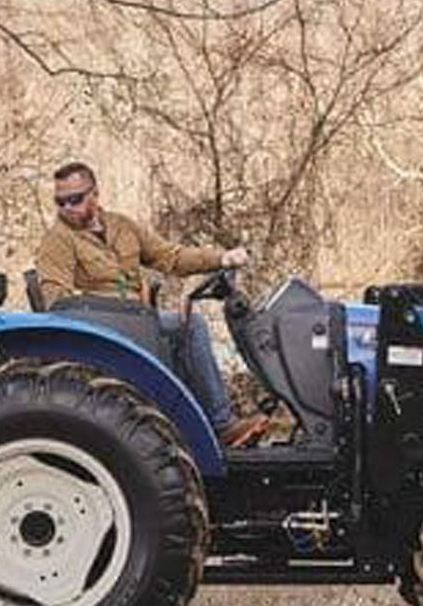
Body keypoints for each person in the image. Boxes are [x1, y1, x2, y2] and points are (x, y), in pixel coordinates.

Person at [34, 161, 267, 447]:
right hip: (109, 330)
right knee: (191, 326)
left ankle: (195, 426)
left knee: (184, 326)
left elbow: (171, 258)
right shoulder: (57, 241)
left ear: (95, 194)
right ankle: (222, 425)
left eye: (75, 199)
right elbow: (59, 301)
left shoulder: (123, 227)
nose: (67, 208)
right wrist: (126, 307)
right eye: (60, 202)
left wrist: (221, 259)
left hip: (140, 321)